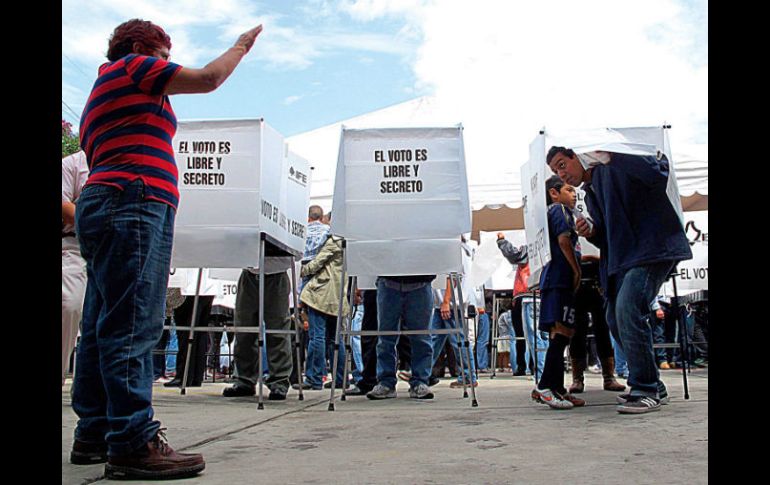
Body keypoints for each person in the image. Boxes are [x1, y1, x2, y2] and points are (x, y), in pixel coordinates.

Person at [70, 19, 263, 479]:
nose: (166, 60)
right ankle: (134, 441)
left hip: (105, 200)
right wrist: (239, 47)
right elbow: (209, 79)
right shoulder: (133, 68)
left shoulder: (101, 90)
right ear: (137, 46)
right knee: (134, 323)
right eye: (163, 50)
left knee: (102, 324)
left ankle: (95, 433)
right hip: (134, 198)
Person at [547, 146, 692, 414]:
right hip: (624, 258)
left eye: (562, 165)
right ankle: (653, 385)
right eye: (556, 171)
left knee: (627, 309)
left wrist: (614, 156)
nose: (561, 174)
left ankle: (646, 388)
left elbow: (659, 173)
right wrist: (591, 231)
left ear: (575, 155)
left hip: (651, 248)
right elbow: (605, 237)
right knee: (614, 316)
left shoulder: (614, 166)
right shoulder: (591, 193)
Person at [530, 176, 586, 410]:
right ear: (554, 193)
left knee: (563, 331)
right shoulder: (559, 210)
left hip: (555, 279)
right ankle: (544, 387)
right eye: (569, 189)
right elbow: (564, 241)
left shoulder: (551, 213)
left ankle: (558, 388)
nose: (574, 194)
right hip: (559, 279)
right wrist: (576, 270)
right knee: (561, 331)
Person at [222, 260, 294, 400]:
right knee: (244, 330)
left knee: (278, 332)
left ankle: (279, 381)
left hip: (276, 272)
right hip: (250, 271)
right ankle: (244, 380)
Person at [367, 274, 436, 400]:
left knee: (421, 338)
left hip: (419, 281)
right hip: (390, 281)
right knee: (386, 338)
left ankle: (420, 381)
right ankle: (387, 382)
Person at [298, 233, 349, 390]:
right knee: (336, 339)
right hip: (339, 294)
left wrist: (302, 270)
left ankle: (314, 379)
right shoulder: (350, 241)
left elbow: (317, 263)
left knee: (316, 337)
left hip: (322, 294)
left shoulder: (334, 241)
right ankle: (341, 379)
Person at [567, 255, 626, 393]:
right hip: (576, 280)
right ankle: (577, 379)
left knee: (603, 330)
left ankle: (609, 377)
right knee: (577, 333)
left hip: (598, 280)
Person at [62, 150, 89, 386]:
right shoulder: (73, 164)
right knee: (69, 304)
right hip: (74, 246)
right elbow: (64, 207)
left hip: (114, 246)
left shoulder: (125, 159)